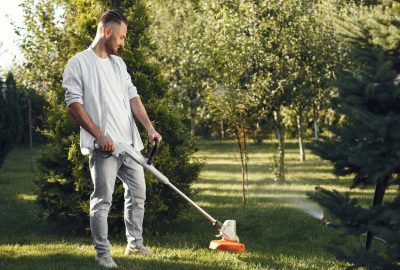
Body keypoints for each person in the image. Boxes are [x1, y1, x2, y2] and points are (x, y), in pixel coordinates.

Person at [63, 9, 162, 269]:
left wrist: (149, 128)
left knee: (138, 194)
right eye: (121, 37)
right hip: (103, 147)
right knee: (102, 200)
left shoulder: (119, 64)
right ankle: (102, 253)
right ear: (107, 32)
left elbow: (133, 97)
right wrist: (99, 135)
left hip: (129, 145)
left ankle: (135, 244)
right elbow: (73, 103)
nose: (122, 42)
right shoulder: (79, 63)